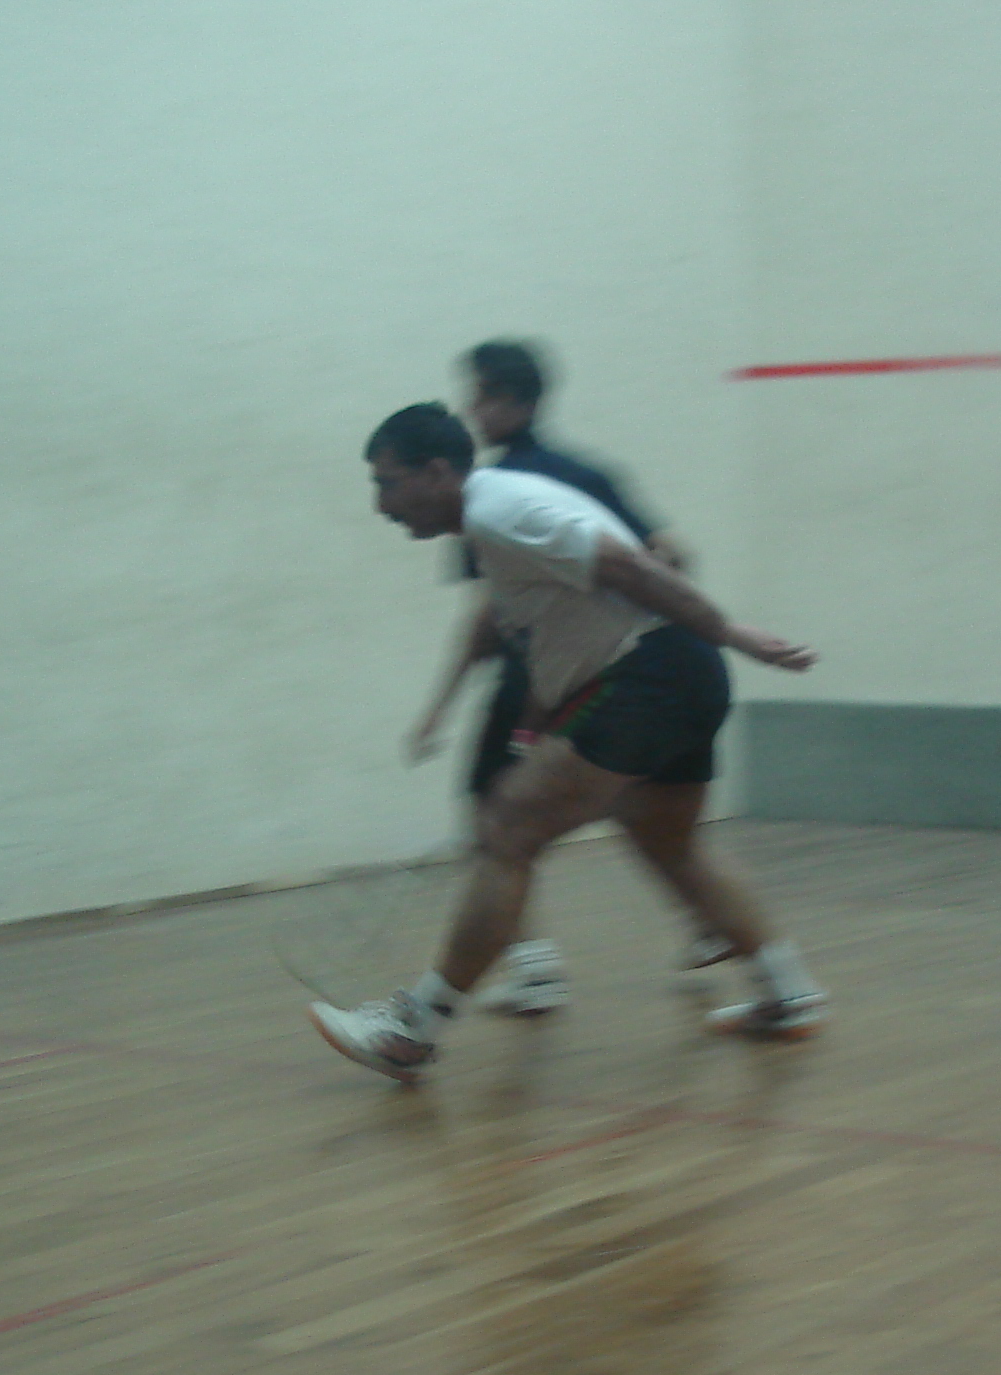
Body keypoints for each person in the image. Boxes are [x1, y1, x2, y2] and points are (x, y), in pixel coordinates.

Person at [312, 402, 826, 1084]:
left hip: (651, 677)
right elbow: (552, 630)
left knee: (507, 831)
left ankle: (412, 1030)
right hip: (681, 675)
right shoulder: (492, 522)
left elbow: (631, 565)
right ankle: (787, 993)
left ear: (436, 472)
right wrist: (535, 724)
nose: (381, 505)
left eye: (388, 483)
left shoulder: (501, 512)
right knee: (670, 843)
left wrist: (734, 633)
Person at [404, 340, 733, 1016]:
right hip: (626, 678)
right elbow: (669, 555)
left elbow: (488, 617)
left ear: (515, 402)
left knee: (497, 820)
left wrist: (440, 705)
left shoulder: (489, 494)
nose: (472, 408)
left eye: (482, 395)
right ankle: (717, 931)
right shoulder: (584, 473)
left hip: (549, 680)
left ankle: (528, 970)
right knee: (643, 816)